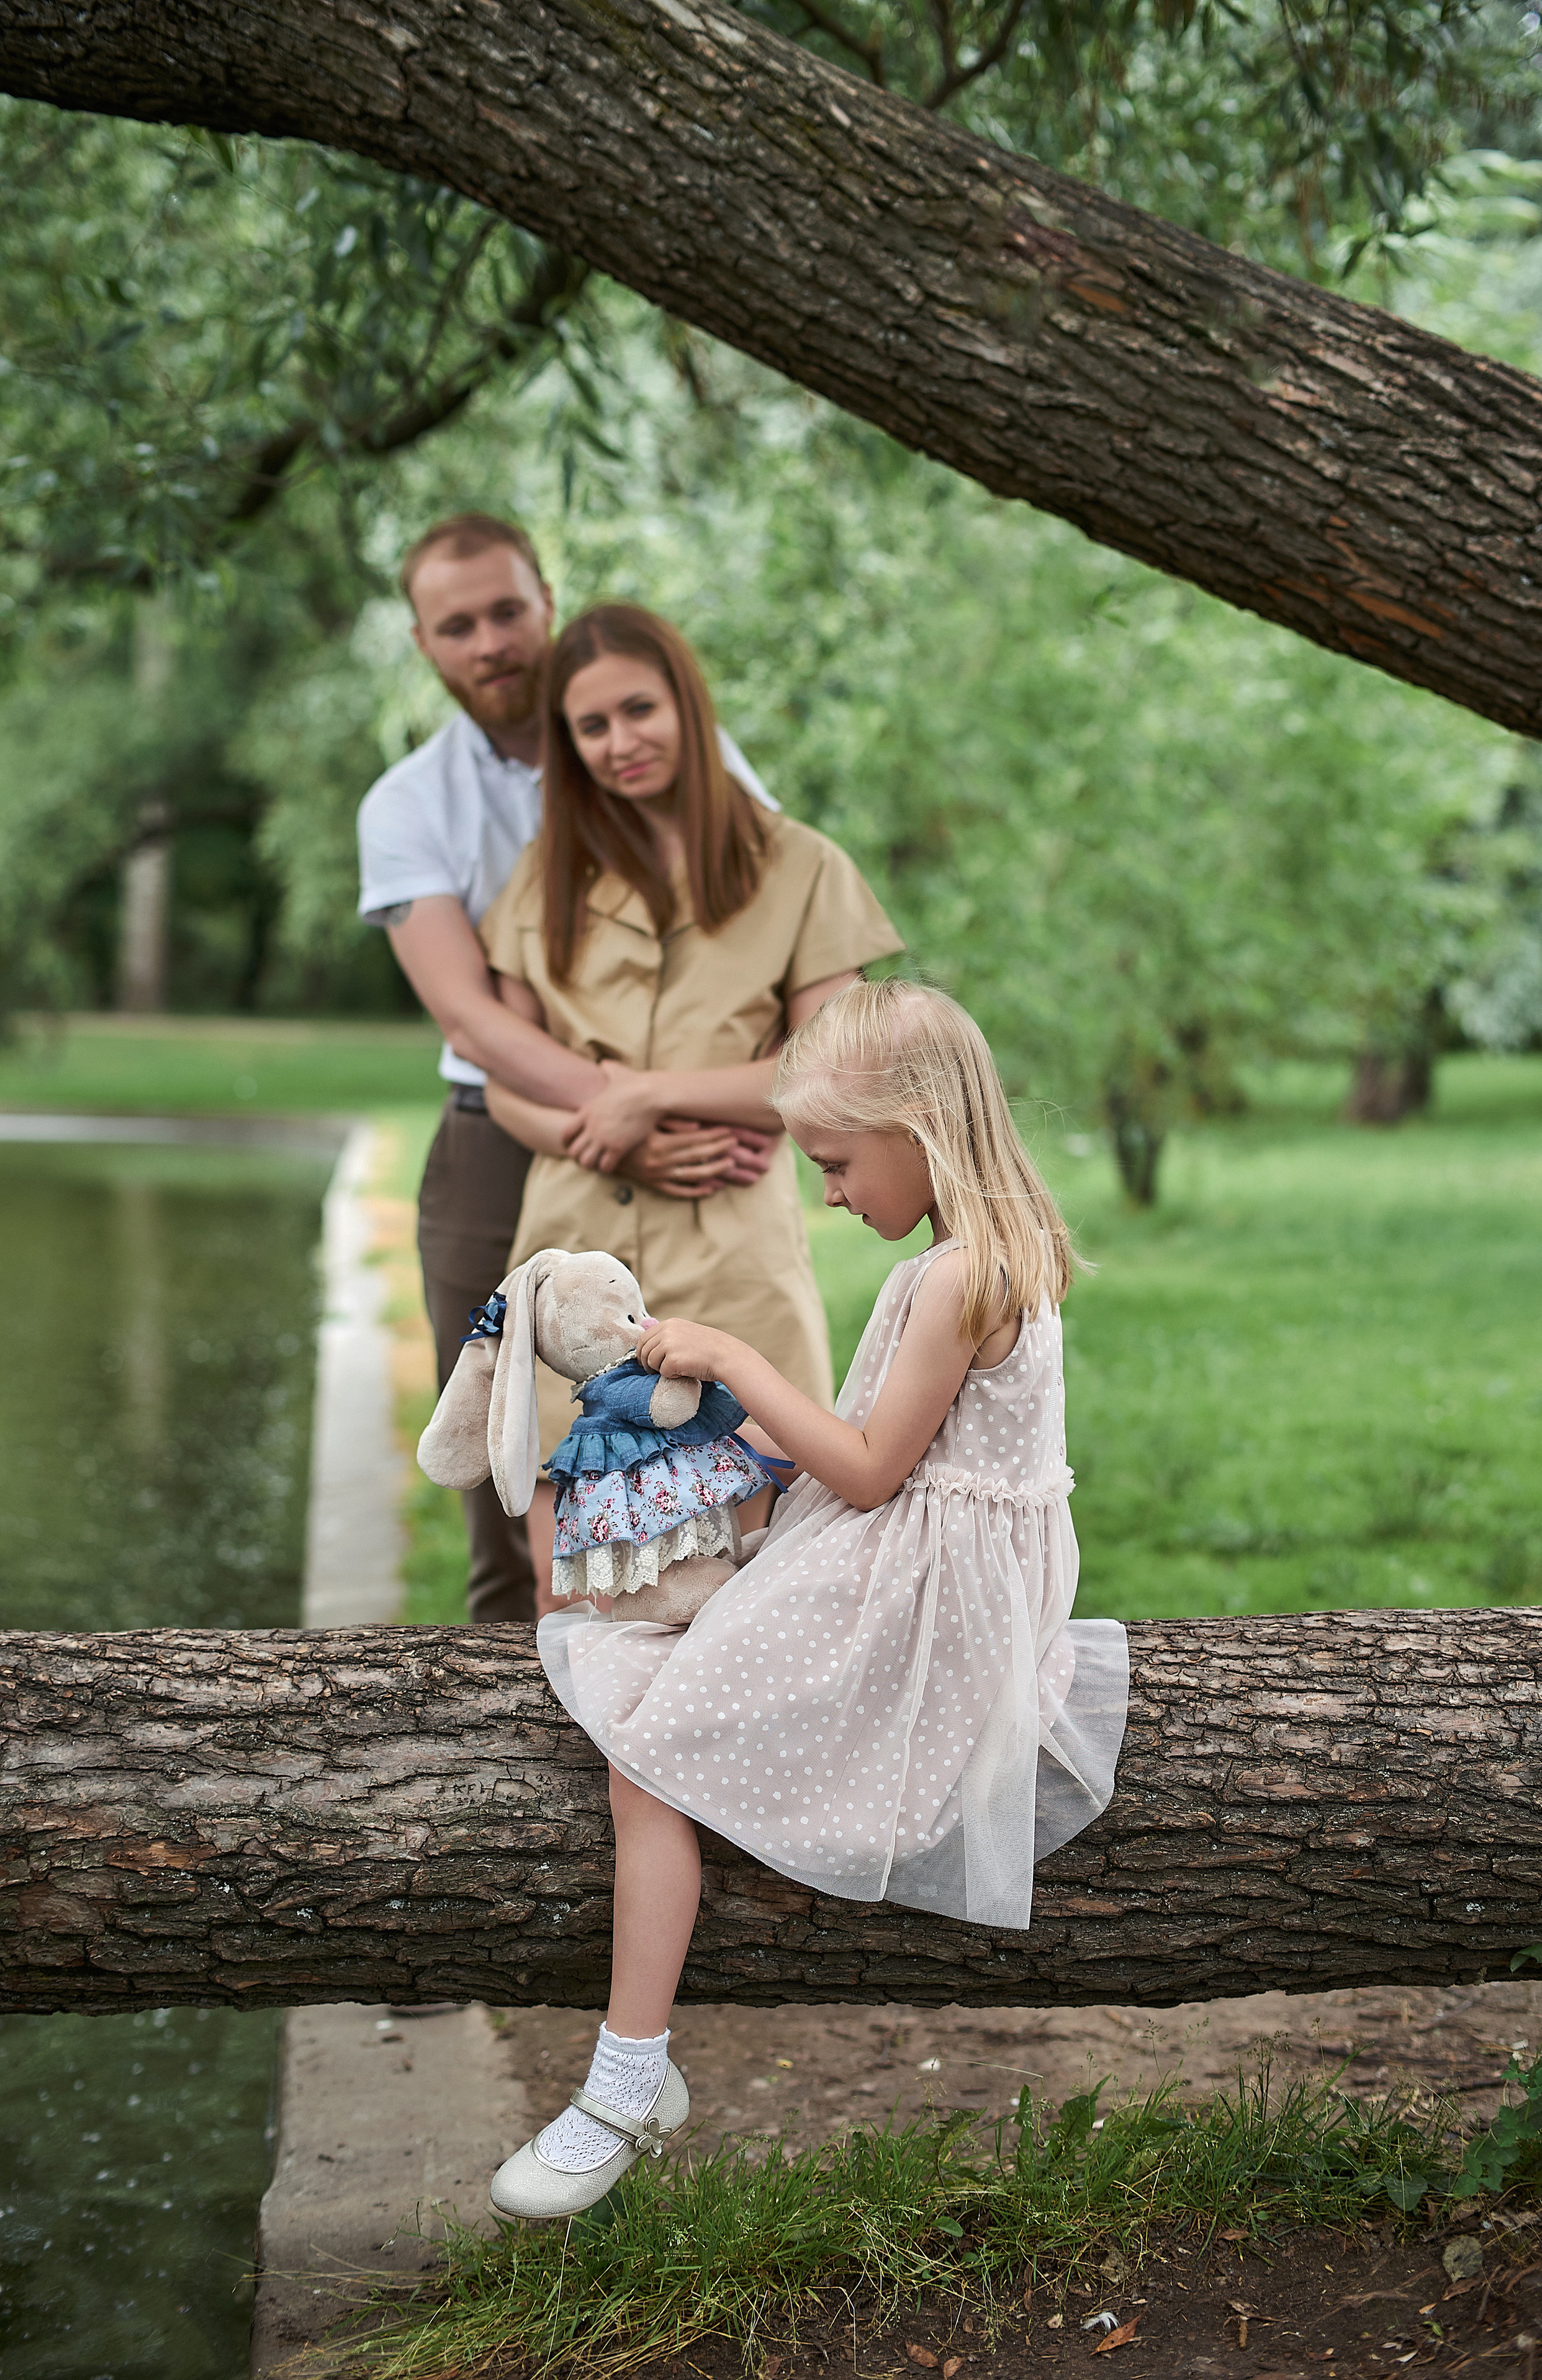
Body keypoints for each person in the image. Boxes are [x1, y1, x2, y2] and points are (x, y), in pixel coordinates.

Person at [489, 978, 1132, 2220]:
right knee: (651, 1589)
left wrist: (734, 1359)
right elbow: (875, 1447)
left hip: (920, 1590)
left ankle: (626, 2082)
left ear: (920, 1129)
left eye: (836, 1162)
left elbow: (873, 1467)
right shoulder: (984, 1255)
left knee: (650, 1748)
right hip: (919, 1549)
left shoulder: (953, 1280)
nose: (828, 1192)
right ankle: (635, 2070)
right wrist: (738, 1444)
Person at [356, 516, 780, 1623]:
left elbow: (768, 920)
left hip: (690, 1137)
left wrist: (690, 1103)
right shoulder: (407, 806)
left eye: (507, 611)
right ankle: (512, 1765)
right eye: (459, 625)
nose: (491, 641)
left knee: (707, 1443)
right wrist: (621, 1111)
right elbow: (468, 1015)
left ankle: (708, 1719)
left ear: (545, 602)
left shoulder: (672, 746)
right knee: (509, 1469)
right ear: (425, 643)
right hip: (500, 1140)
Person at [477, 604, 906, 1609]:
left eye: (640, 709)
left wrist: (646, 1098)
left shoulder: (801, 867)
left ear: (688, 703)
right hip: (573, 1276)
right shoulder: (546, 875)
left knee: (757, 1579)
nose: (620, 743)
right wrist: (608, 1142)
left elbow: (830, 1069)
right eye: (592, 727)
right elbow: (507, 1081)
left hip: (734, 1264)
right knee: (573, 1590)